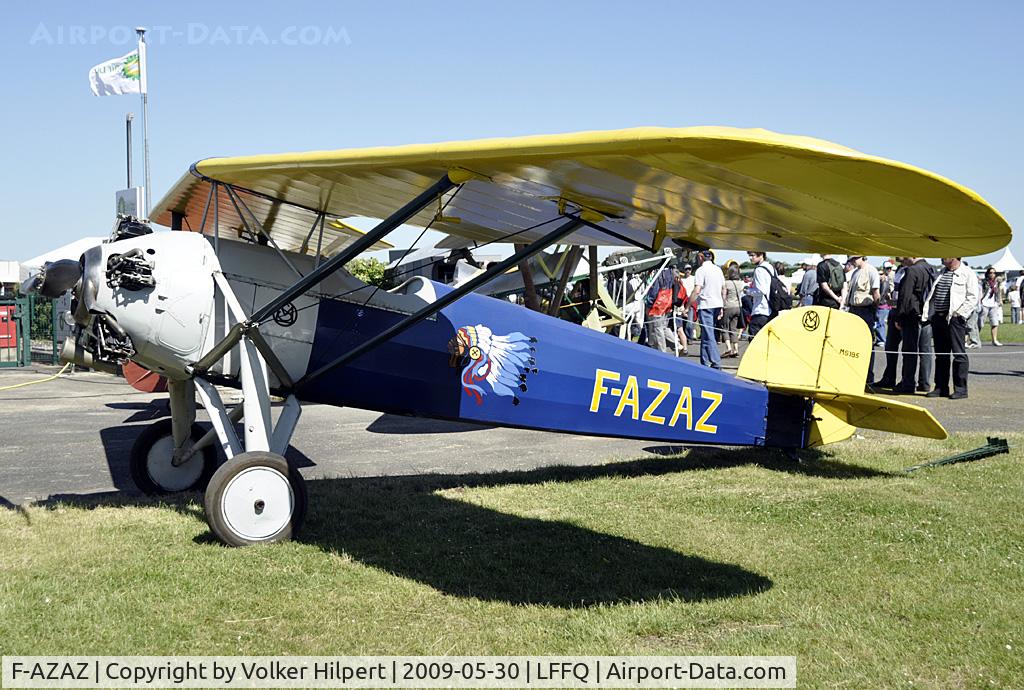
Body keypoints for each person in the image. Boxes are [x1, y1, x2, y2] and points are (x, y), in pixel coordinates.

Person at [923, 257, 979, 399]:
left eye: (945, 255)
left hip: (955, 320)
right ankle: (941, 387)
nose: (942, 257)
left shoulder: (968, 273)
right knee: (941, 355)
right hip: (939, 318)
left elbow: (973, 297)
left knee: (958, 354)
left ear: (955, 256)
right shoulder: (941, 272)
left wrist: (959, 314)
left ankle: (961, 389)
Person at [886, 257, 932, 394]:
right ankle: (924, 382)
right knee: (925, 351)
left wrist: (899, 317)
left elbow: (905, 296)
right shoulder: (930, 268)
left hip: (911, 314)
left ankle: (908, 383)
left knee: (909, 350)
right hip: (925, 314)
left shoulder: (912, 270)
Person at [844, 256, 881, 386]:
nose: (852, 261)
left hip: (866, 310)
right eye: (851, 258)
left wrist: (875, 310)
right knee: (853, 345)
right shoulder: (855, 272)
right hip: (854, 309)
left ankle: (868, 376)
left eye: (855, 258)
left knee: (867, 344)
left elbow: (876, 293)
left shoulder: (871, 271)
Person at [690, 250, 725, 369]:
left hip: (706, 305)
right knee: (706, 334)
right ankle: (704, 362)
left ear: (701, 257)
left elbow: (697, 290)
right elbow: (723, 289)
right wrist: (722, 305)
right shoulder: (718, 269)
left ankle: (716, 362)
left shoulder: (701, 270)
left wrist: (687, 304)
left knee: (709, 334)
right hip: (717, 304)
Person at [644, 262, 676, 353]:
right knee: (663, 327)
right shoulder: (670, 273)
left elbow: (655, 291)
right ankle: (677, 345)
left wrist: (650, 302)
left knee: (658, 328)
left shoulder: (660, 273)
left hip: (658, 304)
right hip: (667, 302)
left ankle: (662, 351)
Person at [746, 250, 775, 337]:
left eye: (753, 255)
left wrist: (748, 291)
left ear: (761, 255)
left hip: (761, 309)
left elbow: (761, 290)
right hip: (771, 308)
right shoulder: (770, 267)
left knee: (754, 338)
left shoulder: (759, 270)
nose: (751, 258)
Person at [721, 264, 745, 357]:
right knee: (734, 328)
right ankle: (736, 348)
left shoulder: (726, 283)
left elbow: (724, 295)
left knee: (725, 327)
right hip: (738, 307)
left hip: (728, 306)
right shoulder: (740, 283)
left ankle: (728, 348)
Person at [979, 266, 1004, 346]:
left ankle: (994, 340)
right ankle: (974, 339)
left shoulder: (997, 283)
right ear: (988, 273)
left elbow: (999, 292)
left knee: (994, 323)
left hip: (993, 304)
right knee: (980, 323)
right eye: (991, 273)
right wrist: (980, 301)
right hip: (984, 304)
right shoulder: (984, 282)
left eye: (994, 273)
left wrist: (1000, 300)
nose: (992, 274)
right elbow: (981, 292)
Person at [875, 260, 894, 345]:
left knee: (880, 323)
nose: (889, 270)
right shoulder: (885, 279)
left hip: (883, 304)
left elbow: (882, 293)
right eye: (887, 268)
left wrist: (878, 302)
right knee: (882, 322)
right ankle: (881, 339)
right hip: (886, 304)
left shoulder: (885, 280)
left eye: (890, 268)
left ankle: (881, 339)